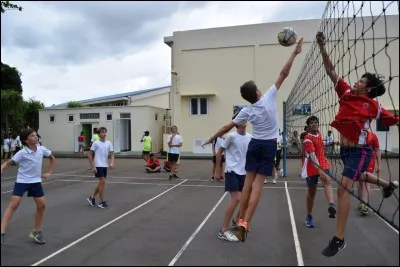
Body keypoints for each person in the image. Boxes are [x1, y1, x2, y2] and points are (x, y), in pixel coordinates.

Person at [202, 37, 304, 242]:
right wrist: (294, 53)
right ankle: (244, 222)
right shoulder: (267, 97)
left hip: (254, 144)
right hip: (268, 146)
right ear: (257, 92)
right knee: (258, 186)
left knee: (247, 184)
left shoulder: (246, 110)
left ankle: (239, 219)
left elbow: (226, 127)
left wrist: (211, 138)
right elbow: (284, 74)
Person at [316, 31, 399, 257]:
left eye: (362, 80)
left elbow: (394, 119)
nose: (357, 80)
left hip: (360, 151)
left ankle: (339, 239)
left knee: (343, 189)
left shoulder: (372, 105)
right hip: (344, 151)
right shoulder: (345, 93)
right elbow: (331, 71)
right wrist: (323, 47)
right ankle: (387, 186)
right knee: (360, 176)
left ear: (368, 88)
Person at [0, 129, 56, 245]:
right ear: (26, 140)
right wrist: (2, 168)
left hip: (35, 181)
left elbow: (52, 158)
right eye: (32, 135)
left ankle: (36, 231)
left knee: (42, 205)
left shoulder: (41, 149)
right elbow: (9, 162)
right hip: (22, 181)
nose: (36, 137)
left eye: (36, 135)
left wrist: (49, 172)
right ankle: (2, 232)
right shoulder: (22, 152)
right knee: (14, 204)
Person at [215, 118, 252, 242]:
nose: (243, 120)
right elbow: (219, 152)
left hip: (244, 172)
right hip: (232, 171)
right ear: (236, 123)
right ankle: (223, 230)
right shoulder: (231, 136)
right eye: (240, 118)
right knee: (236, 198)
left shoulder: (250, 137)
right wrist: (217, 171)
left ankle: (236, 221)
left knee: (246, 199)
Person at [301, 116, 336, 228]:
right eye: (312, 123)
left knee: (327, 181)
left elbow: (320, 146)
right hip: (312, 166)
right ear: (308, 126)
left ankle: (331, 205)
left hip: (323, 162)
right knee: (312, 192)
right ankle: (309, 216)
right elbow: (312, 155)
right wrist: (319, 169)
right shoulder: (307, 138)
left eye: (316, 122)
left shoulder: (320, 134)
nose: (314, 124)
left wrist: (328, 144)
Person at [87, 127, 115, 209]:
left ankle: (92, 197)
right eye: (102, 132)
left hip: (104, 165)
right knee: (102, 181)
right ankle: (101, 202)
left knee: (101, 183)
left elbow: (112, 153)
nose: (104, 134)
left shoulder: (109, 143)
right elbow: (89, 155)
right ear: (99, 134)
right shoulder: (96, 143)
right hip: (98, 165)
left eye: (105, 132)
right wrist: (93, 166)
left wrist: (112, 162)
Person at [357, 131, 380, 216]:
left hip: (370, 161)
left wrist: (379, 165)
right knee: (360, 181)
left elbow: (377, 150)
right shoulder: (356, 134)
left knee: (367, 181)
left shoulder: (373, 136)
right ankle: (361, 202)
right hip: (358, 161)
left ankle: (365, 204)